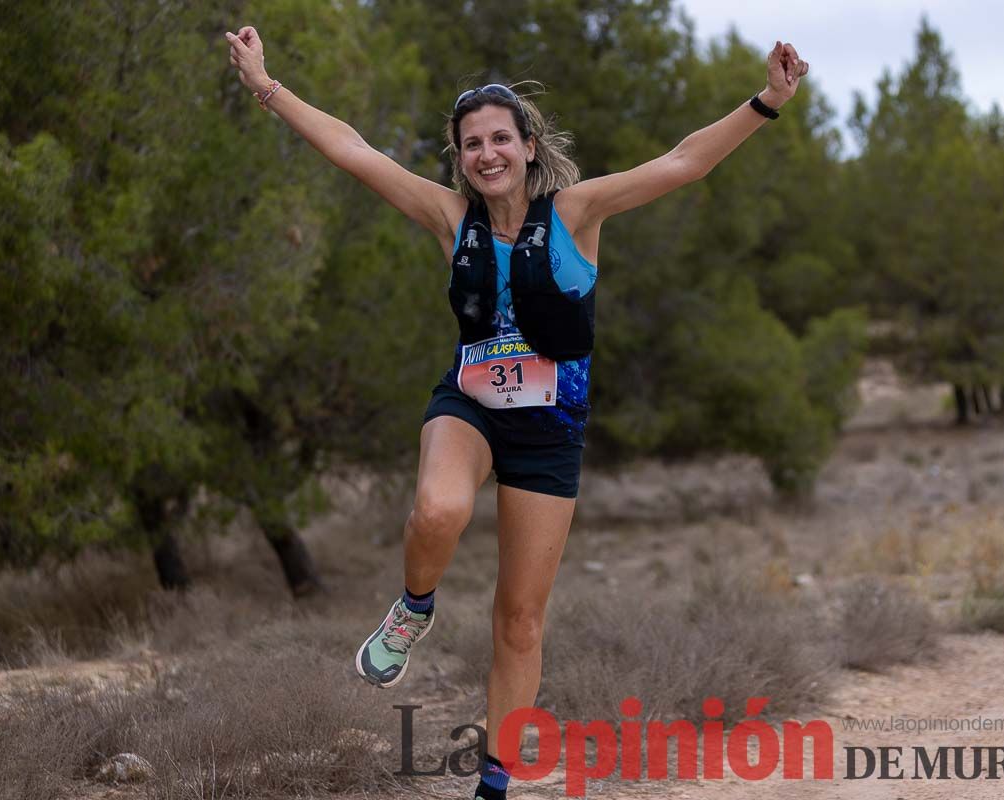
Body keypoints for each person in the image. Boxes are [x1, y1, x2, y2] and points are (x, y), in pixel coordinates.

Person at [225, 25, 807, 800]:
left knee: (519, 621)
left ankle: (493, 786)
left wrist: (768, 101)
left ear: (529, 146)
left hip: (550, 429)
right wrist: (266, 85)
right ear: (460, 157)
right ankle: (413, 609)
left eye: (501, 138)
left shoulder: (578, 213)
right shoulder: (447, 217)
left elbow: (683, 161)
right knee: (436, 511)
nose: (487, 153)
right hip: (468, 406)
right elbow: (352, 149)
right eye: (472, 144)